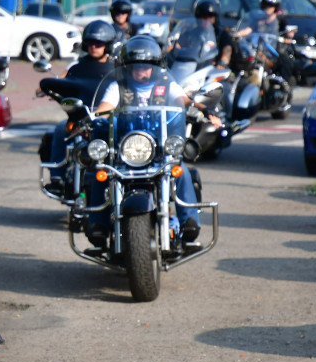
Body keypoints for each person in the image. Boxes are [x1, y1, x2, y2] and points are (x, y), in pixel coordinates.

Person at [94, 35, 202, 242]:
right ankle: (97, 222)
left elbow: (184, 101)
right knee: (103, 171)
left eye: (146, 67)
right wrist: (96, 117)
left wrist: (204, 107)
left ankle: (189, 221)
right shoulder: (118, 88)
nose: (140, 71)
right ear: (127, 67)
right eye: (136, 67)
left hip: (158, 148)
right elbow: (104, 110)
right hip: (127, 148)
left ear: (155, 67)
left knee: (180, 170)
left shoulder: (167, 87)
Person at [44, 20, 117, 192]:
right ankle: (57, 177)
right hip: (80, 116)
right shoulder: (76, 67)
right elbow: (64, 82)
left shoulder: (117, 68)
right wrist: (49, 87)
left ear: (107, 45)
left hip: (107, 118)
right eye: (90, 42)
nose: (94, 47)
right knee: (61, 128)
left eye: (99, 43)